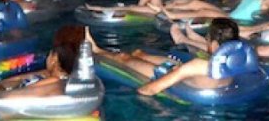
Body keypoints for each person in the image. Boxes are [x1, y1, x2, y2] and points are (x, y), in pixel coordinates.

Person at [90, 17, 243, 97]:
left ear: (215, 45)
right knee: (141, 54)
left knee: (124, 57)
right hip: (185, 73)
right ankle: (140, 56)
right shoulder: (237, 62)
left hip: (171, 75)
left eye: (207, 38)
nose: (206, 41)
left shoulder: (198, 65)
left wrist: (132, 92)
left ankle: (96, 50)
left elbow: (150, 90)